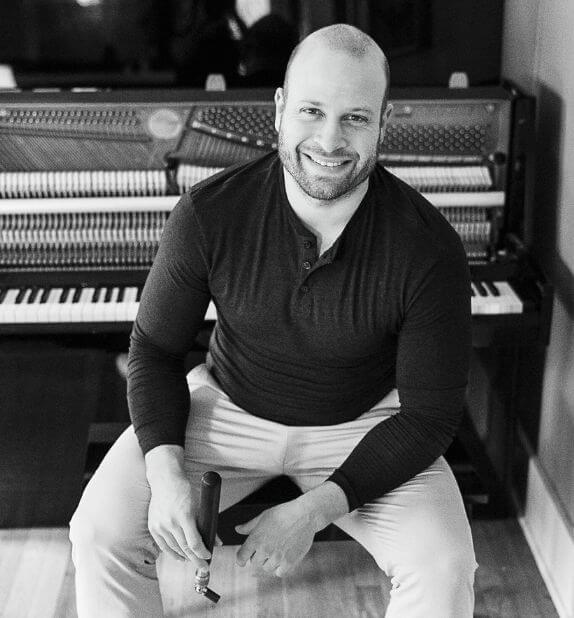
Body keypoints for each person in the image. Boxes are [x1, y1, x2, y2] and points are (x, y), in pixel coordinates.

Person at [69, 23, 477, 617]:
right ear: (280, 109)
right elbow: (154, 351)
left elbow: (429, 417)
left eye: (356, 118)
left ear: (385, 122)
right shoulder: (209, 213)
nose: (331, 140)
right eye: (312, 110)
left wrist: (310, 513)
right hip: (228, 408)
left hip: (363, 424)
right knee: (100, 531)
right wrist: (166, 472)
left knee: (442, 567)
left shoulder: (429, 247)